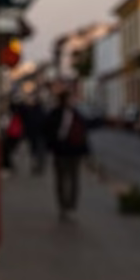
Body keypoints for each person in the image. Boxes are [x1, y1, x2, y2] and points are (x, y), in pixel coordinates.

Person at [46, 90, 89, 220]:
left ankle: (69, 204)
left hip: (72, 152)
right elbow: (47, 130)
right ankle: (64, 206)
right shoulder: (58, 114)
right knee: (64, 179)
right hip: (63, 152)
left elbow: (84, 130)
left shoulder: (75, 114)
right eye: (70, 99)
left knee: (71, 179)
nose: (72, 101)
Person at [23, 99, 47, 175]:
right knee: (40, 153)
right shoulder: (43, 114)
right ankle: (39, 167)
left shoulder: (31, 113)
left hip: (33, 136)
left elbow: (27, 125)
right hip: (40, 136)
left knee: (34, 153)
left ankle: (35, 167)